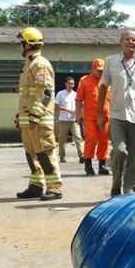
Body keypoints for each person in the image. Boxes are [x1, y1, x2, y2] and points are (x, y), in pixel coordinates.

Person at [97, 29, 135, 196]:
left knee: (134, 158)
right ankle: (116, 183)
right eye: (127, 39)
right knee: (119, 150)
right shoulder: (111, 61)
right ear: (121, 42)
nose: (130, 42)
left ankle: (129, 188)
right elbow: (102, 87)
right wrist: (100, 114)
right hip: (117, 116)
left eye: (134, 40)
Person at [14, 27, 63, 201]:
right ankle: (36, 186)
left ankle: (55, 189)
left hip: (40, 120)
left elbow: (47, 93)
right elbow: (28, 95)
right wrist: (21, 116)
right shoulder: (29, 64)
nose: (20, 46)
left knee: (45, 153)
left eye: (22, 43)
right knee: (31, 153)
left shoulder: (40, 64)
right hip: (29, 119)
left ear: (28, 44)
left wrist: (35, 115)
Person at [76, 59, 110, 176]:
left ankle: (102, 165)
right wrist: (78, 115)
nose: (100, 73)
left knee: (104, 140)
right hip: (90, 117)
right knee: (91, 138)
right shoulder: (84, 81)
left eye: (102, 71)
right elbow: (79, 100)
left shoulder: (108, 81)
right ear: (93, 69)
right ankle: (88, 165)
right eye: (98, 70)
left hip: (105, 117)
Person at [55, 76, 85, 163]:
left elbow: (80, 105)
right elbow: (56, 107)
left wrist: (79, 115)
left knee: (78, 137)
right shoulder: (60, 94)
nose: (71, 85)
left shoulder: (76, 94)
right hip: (63, 120)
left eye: (72, 84)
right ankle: (62, 157)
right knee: (62, 139)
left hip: (74, 120)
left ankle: (81, 156)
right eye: (69, 83)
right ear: (65, 84)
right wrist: (68, 110)